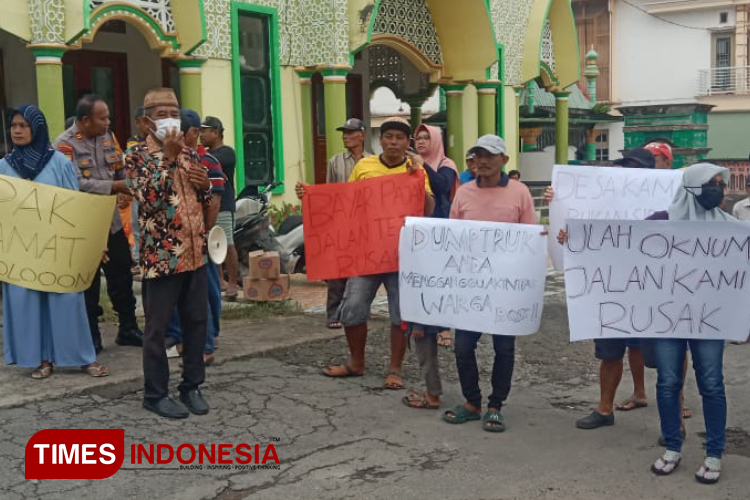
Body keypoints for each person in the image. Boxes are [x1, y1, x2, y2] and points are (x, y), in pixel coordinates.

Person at [315, 116, 434, 389]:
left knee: (399, 313)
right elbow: (348, 203)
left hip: (401, 255)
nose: (393, 142)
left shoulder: (415, 169)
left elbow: (427, 209)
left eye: (400, 138)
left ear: (408, 143)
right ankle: (356, 362)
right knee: (353, 308)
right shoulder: (364, 166)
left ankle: (395, 369)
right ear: (381, 140)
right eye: (389, 136)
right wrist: (311, 198)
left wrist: (417, 175)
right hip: (366, 253)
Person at [437, 135, 537, 431]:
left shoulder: (520, 193)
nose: (482, 160)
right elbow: (451, 239)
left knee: (503, 349)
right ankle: (471, 402)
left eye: (489, 155)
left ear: (504, 160)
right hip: (471, 286)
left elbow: (529, 237)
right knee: (463, 347)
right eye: (478, 154)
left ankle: (495, 405)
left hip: (506, 288)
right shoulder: (463, 193)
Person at [1, 105, 108, 379]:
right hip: (20, 250)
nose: (17, 130)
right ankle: (42, 359)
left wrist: (92, 242)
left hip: (57, 248)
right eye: (14, 125)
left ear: (36, 128)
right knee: (28, 303)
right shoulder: (3, 167)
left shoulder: (58, 162)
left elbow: (75, 205)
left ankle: (84, 357)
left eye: (23, 126)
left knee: (66, 300)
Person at [126, 88, 212, 419]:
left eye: (174, 112)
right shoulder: (136, 156)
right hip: (161, 258)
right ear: (147, 121)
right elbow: (149, 199)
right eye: (162, 114)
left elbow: (199, 201)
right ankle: (155, 393)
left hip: (195, 253)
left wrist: (204, 185)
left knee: (196, 322)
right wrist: (169, 157)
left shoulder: (190, 153)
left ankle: (191, 386)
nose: (170, 119)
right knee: (158, 329)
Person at [644, 164, 731, 484]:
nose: (718, 189)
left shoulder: (732, 228)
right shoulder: (660, 222)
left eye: (721, 184)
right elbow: (620, 249)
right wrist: (570, 237)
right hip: (669, 318)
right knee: (668, 383)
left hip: (710, 319)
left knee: (711, 384)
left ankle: (714, 454)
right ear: (693, 186)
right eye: (712, 183)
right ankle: (672, 447)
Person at [54, 94, 143, 354]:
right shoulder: (64, 145)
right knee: (88, 282)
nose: (108, 122)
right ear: (84, 120)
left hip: (111, 221)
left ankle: (127, 328)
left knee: (123, 274)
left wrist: (124, 186)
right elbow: (72, 184)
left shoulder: (108, 137)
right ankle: (91, 335)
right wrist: (114, 186)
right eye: (102, 118)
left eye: (108, 117)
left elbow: (119, 169)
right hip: (82, 224)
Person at [294, 118, 371, 329]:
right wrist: (310, 194)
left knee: (366, 268)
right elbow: (329, 192)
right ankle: (333, 313)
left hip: (366, 223)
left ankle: (360, 309)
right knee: (339, 269)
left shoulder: (373, 161)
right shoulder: (335, 161)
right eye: (344, 132)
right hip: (342, 221)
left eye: (350, 132)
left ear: (362, 135)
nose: (345, 136)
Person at [166, 109, 224, 367]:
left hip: (199, 237)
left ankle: (207, 345)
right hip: (175, 239)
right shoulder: (171, 160)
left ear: (192, 134)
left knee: (204, 293)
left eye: (180, 133)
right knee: (181, 294)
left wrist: (205, 234)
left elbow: (214, 202)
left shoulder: (206, 161)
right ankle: (182, 338)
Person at [412, 124, 459, 347]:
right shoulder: (409, 164)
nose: (420, 142)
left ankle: (443, 327)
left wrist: (424, 168)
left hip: (439, 227)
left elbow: (442, 186)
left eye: (425, 138)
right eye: (417, 138)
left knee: (440, 278)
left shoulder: (445, 164)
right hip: (416, 226)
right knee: (420, 276)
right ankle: (421, 321)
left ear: (436, 140)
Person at [199, 116, 239, 300]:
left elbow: (207, 164)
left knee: (227, 243)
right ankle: (220, 281)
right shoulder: (206, 155)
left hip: (223, 204)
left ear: (215, 132)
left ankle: (232, 283)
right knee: (212, 244)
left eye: (204, 131)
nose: (201, 135)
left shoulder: (227, 153)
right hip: (208, 205)